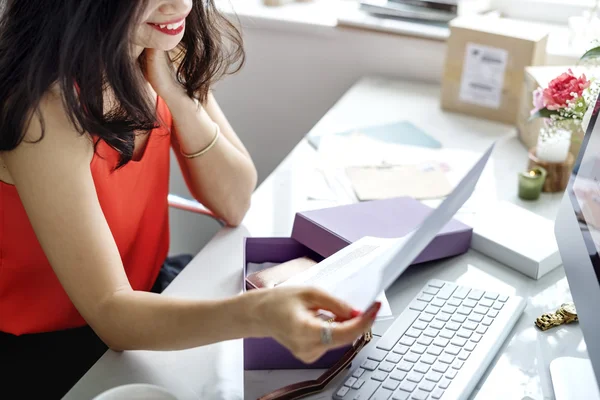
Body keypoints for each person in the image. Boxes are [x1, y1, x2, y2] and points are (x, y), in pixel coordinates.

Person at [0, 0, 379, 398]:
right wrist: (259, 314)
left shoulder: (153, 53)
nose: (180, 4)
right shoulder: (43, 113)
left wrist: (179, 98)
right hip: (53, 348)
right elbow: (111, 314)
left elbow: (234, 200)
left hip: (149, 296)